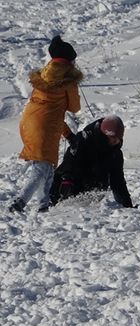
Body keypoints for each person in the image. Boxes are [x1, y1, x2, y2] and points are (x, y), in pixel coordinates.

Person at [8, 35, 82, 213]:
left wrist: (68, 135)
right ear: (69, 61)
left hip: (30, 123)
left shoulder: (44, 75)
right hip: (44, 128)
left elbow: (51, 114)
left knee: (47, 166)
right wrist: (75, 85)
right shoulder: (67, 80)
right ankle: (20, 201)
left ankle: (43, 204)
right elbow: (74, 107)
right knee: (41, 168)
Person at [49, 115, 134, 208]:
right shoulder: (83, 140)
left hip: (92, 194)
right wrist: (67, 181)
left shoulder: (115, 154)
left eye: (117, 139)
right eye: (112, 138)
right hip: (67, 184)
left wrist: (127, 205)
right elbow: (70, 163)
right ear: (104, 134)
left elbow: (118, 181)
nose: (115, 142)